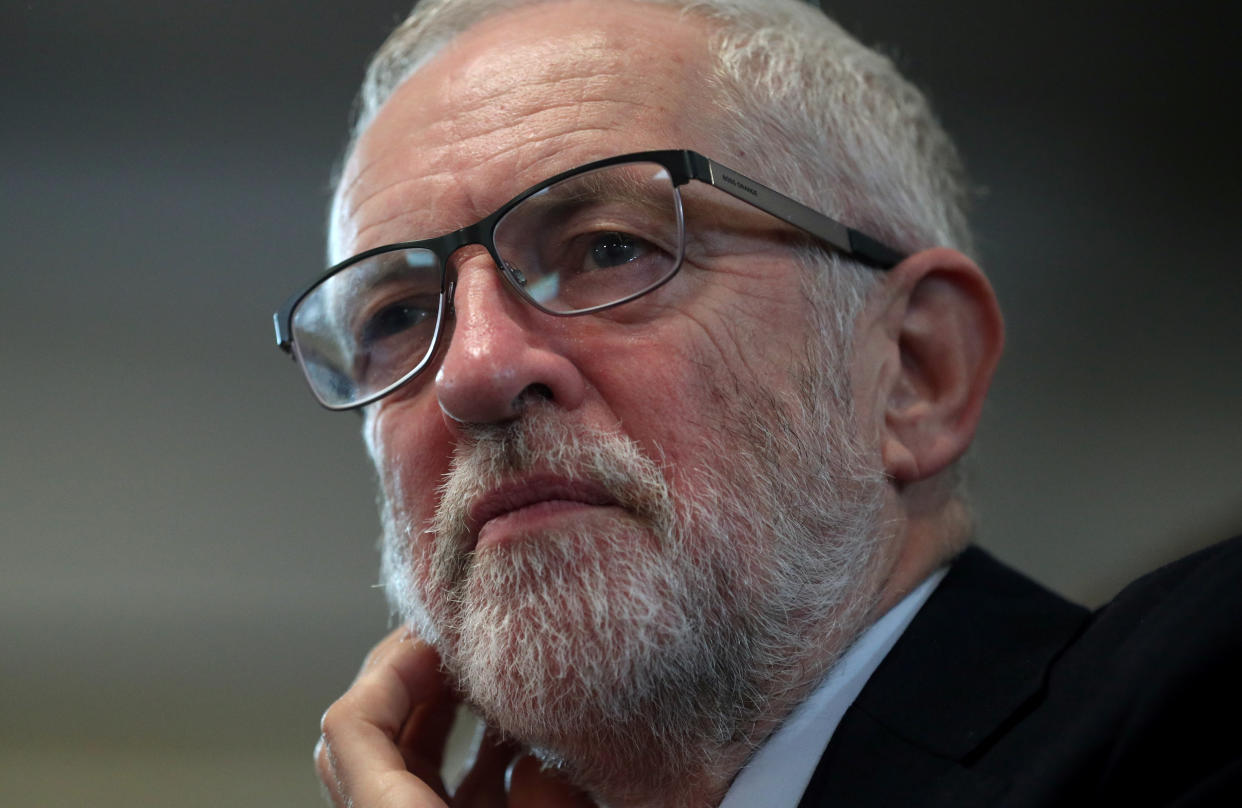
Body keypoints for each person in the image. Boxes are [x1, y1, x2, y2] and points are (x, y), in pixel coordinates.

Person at [272, 0, 1241, 805]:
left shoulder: (1202, 693)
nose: (473, 372)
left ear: (913, 370)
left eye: (610, 247)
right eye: (398, 316)